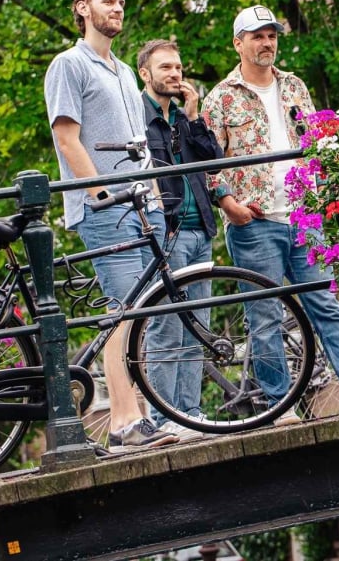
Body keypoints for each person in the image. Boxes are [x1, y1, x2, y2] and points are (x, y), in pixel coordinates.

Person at [43, 0, 174, 449]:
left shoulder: (121, 71)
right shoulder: (68, 65)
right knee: (121, 311)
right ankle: (122, 423)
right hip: (105, 209)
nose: (118, 8)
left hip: (142, 205)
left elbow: (139, 145)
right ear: (82, 8)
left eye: (121, 1)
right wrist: (99, 195)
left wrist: (156, 195)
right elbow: (65, 137)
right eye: (108, 2)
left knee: (140, 314)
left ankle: (141, 415)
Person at [202, 6, 339, 420]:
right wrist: (227, 204)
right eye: (257, 36)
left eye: (271, 35)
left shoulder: (295, 86)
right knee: (265, 318)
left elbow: (317, 141)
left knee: (327, 306)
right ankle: (279, 407)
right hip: (256, 222)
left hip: (305, 218)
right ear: (238, 43)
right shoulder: (221, 97)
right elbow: (205, 160)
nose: (266, 43)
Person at [137, 37, 224, 439]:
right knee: (166, 328)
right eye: (165, 68)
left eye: (178, 67)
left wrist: (193, 117)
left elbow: (214, 159)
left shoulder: (182, 118)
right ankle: (162, 417)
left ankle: (190, 413)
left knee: (197, 326)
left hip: (200, 228)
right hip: (165, 232)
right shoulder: (137, 115)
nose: (174, 74)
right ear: (145, 73)